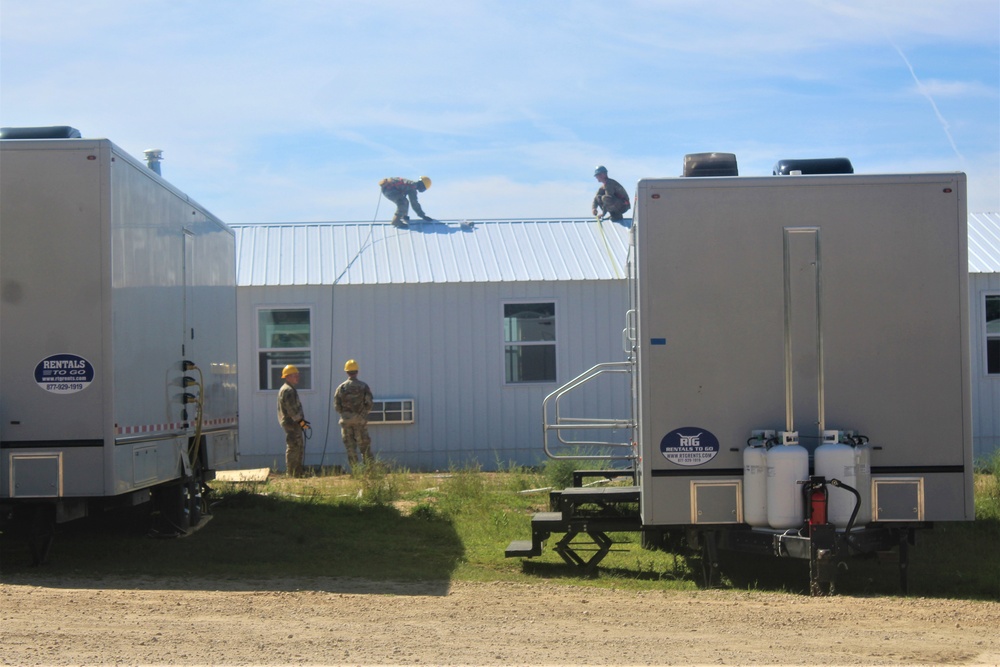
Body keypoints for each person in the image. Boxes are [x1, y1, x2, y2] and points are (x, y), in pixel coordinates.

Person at [333, 359, 375, 468]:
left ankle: (356, 471)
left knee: (350, 448)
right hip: (360, 421)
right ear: (357, 371)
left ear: (346, 372)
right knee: (364, 446)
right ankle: (369, 471)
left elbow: (337, 406)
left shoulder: (341, 387)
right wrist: (362, 414)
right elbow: (369, 403)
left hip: (346, 422)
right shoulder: (363, 386)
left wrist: (345, 414)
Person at [277, 364, 309, 477]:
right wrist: (301, 422)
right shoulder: (288, 390)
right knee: (294, 447)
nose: (297, 377)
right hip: (292, 424)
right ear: (287, 376)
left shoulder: (288, 389)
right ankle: (292, 473)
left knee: (297, 446)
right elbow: (291, 411)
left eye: (298, 375)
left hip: (292, 423)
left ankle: (297, 472)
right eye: (295, 375)